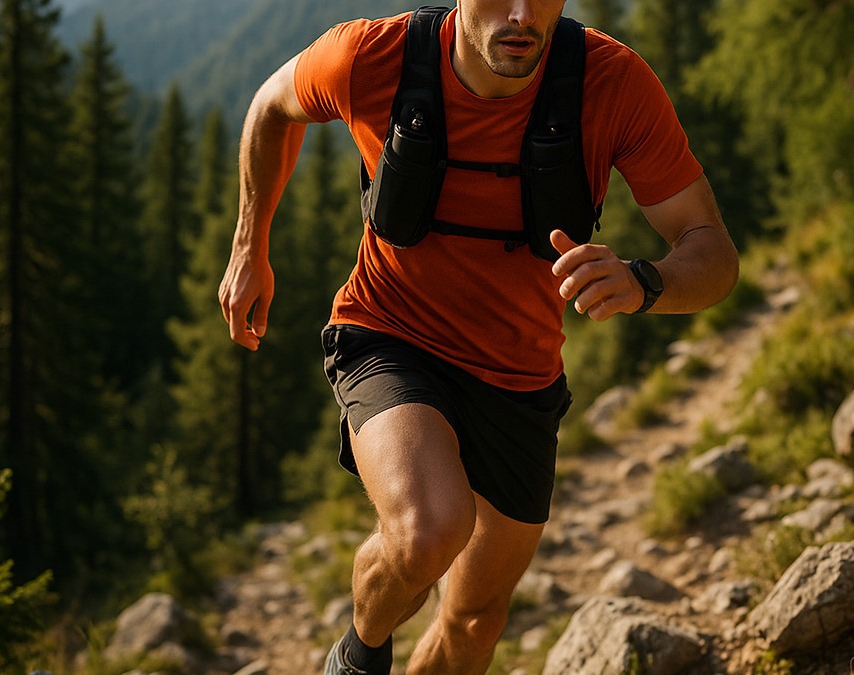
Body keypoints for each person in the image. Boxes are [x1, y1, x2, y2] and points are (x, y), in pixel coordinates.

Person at [218, 1, 739, 672]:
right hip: (389, 331)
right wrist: (248, 243)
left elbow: (712, 252)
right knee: (428, 531)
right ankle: (357, 652)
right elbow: (270, 108)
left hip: (520, 376)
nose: (522, 15)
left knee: (473, 621)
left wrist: (646, 281)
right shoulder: (372, 58)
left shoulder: (611, 84)